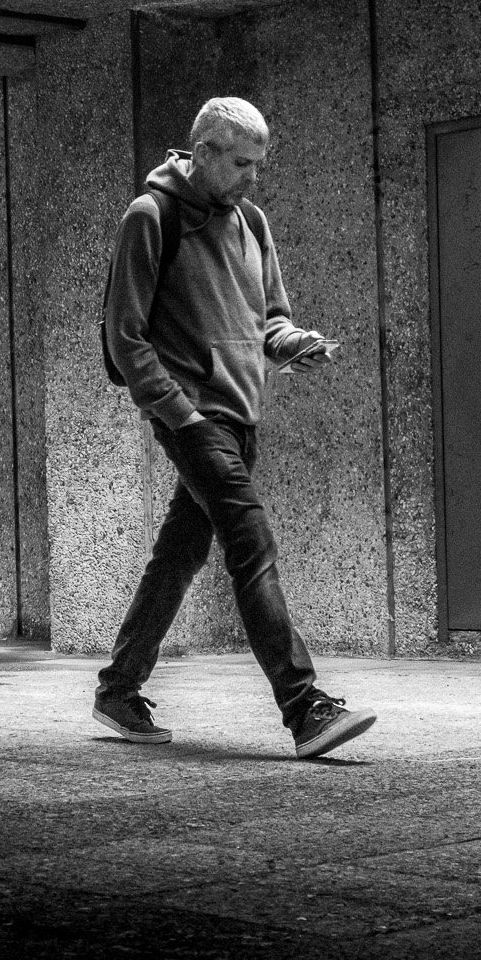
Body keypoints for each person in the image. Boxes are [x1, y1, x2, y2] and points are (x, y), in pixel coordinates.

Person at [95, 96, 377, 759]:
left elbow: (268, 318)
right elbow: (125, 333)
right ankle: (305, 706)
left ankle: (118, 689)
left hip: (242, 415)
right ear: (205, 152)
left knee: (181, 553)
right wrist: (178, 412)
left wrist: (296, 343)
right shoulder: (152, 215)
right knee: (253, 549)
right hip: (195, 417)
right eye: (244, 163)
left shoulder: (250, 221)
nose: (254, 176)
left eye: (260, 163)